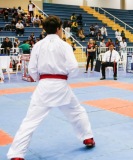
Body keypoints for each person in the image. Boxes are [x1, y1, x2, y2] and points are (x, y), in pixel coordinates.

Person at [7, 15, 95, 160]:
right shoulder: (65, 45)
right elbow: (73, 67)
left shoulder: (37, 45)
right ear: (59, 29)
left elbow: (32, 69)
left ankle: (16, 154)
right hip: (61, 85)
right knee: (77, 112)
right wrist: (66, 77)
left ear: (44, 29)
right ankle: (88, 137)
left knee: (30, 121)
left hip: (44, 86)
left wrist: (40, 79)